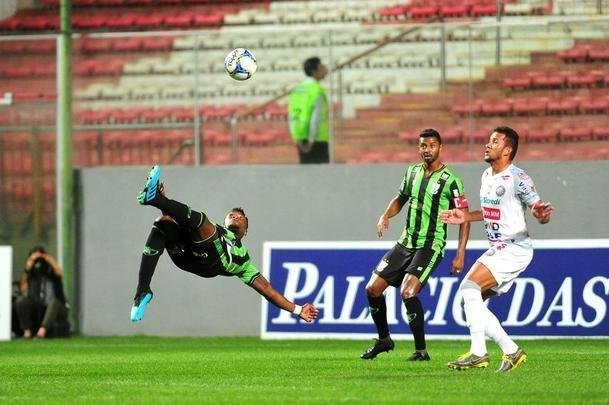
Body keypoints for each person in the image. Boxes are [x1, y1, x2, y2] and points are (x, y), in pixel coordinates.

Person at [131, 165, 319, 323]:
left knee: (200, 221)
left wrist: (298, 310)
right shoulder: (215, 229)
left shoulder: (244, 261)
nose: (235, 216)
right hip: (184, 255)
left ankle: (156, 199)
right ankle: (143, 290)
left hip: (209, 264)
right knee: (163, 222)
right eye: (231, 215)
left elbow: (267, 290)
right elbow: (180, 224)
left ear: (246, 231)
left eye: (241, 217)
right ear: (225, 221)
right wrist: (166, 207)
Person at [440, 126, 554, 372]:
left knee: (468, 288)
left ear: (507, 150)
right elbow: (490, 211)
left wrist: (540, 214)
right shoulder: (486, 176)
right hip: (500, 248)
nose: (487, 144)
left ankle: (478, 353)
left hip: (514, 247)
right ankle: (511, 351)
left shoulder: (518, 177)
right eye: (489, 140)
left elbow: (536, 207)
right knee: (472, 302)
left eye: (494, 141)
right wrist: (465, 216)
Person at [360, 129, 471, 361]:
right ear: (419, 148)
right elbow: (400, 198)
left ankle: (421, 351)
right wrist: (385, 215)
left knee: (408, 292)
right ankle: (384, 340)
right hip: (405, 242)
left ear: (440, 148)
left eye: (432, 145)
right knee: (372, 289)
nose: (427, 150)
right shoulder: (411, 172)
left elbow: (465, 217)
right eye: (423, 146)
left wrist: (460, 253)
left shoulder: (451, 181)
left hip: (430, 245)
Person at [14, 245, 69, 339]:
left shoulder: (51, 271)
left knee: (54, 302)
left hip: (57, 308)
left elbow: (59, 272)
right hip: (38, 307)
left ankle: (42, 332)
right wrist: (27, 269)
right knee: (21, 301)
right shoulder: (30, 273)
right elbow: (23, 289)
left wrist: (46, 258)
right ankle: (27, 332)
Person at [288, 56, 330, 164]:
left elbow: (292, 115)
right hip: (317, 140)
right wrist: (311, 141)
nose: (325, 69)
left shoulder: (297, 90)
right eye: (321, 67)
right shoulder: (316, 90)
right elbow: (315, 118)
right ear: (314, 71)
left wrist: (297, 138)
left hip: (300, 137)